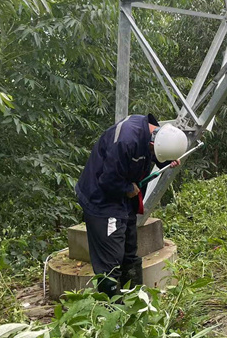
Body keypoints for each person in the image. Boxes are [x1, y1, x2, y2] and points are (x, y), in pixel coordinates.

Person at [75, 114, 187, 298]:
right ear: (154, 143)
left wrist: (168, 160)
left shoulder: (153, 133)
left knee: (129, 252)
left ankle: (135, 301)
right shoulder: (125, 141)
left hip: (123, 199)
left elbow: (154, 155)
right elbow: (107, 179)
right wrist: (127, 188)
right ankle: (111, 312)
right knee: (110, 263)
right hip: (101, 200)